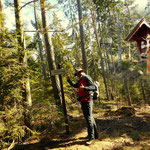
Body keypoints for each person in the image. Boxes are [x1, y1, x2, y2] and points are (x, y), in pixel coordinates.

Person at [67, 67, 98, 145]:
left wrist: (85, 88)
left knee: (89, 118)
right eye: (77, 74)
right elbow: (75, 85)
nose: (77, 75)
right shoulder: (81, 79)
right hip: (83, 101)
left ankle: (91, 138)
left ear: (81, 72)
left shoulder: (86, 77)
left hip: (88, 101)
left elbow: (93, 87)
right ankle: (95, 135)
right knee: (90, 117)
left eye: (77, 74)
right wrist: (69, 80)